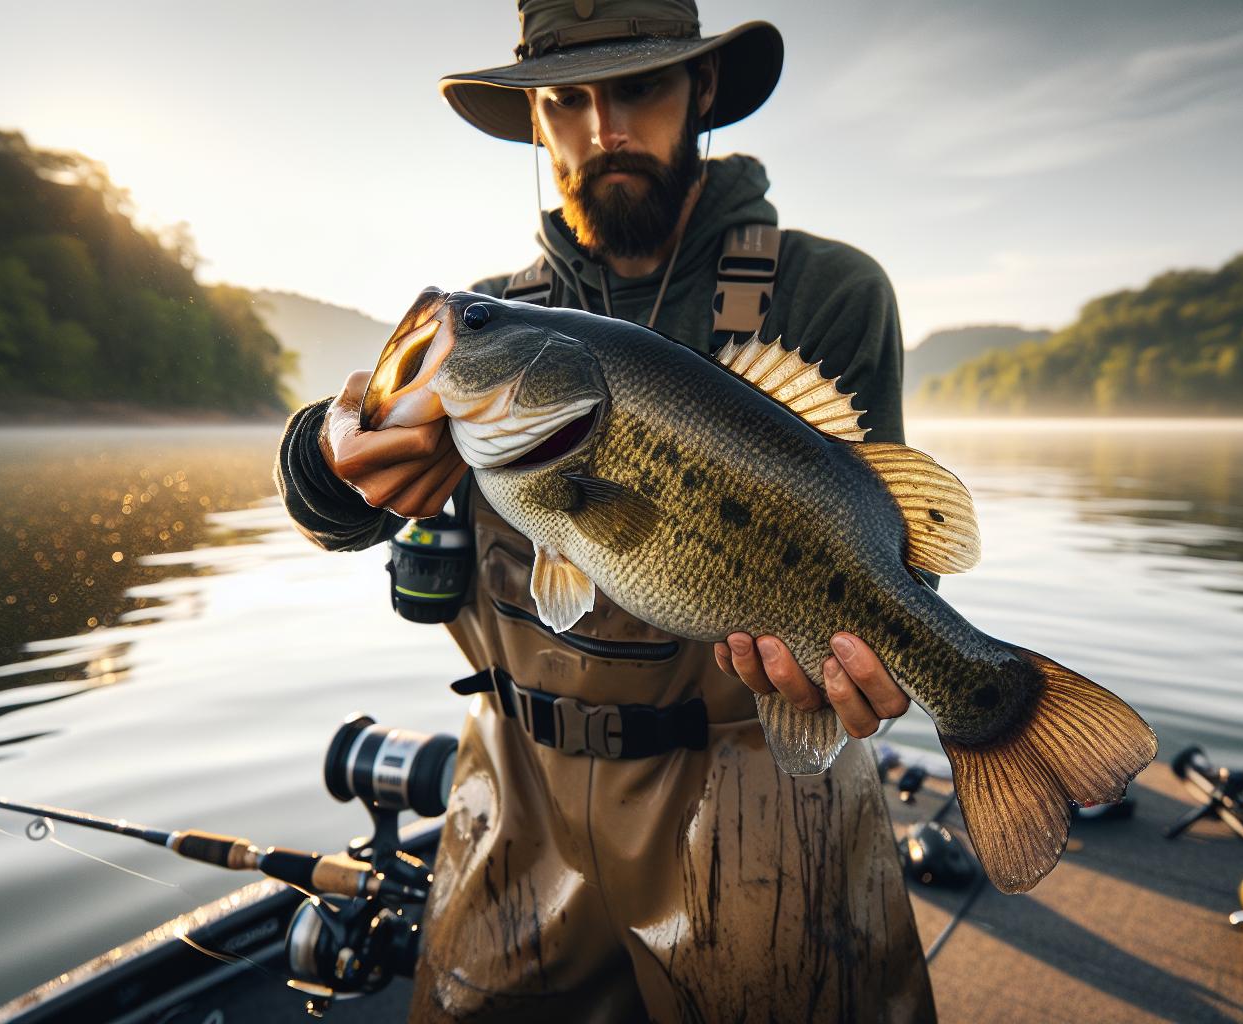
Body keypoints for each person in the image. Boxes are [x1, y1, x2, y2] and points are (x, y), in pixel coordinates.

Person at [276, 2, 936, 1020]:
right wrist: (327, 453)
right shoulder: (487, 324)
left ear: (701, 90)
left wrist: (880, 657)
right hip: (512, 789)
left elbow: (891, 559)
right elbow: (335, 503)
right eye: (567, 100)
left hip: (755, 786)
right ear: (535, 120)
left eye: (638, 86)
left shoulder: (826, 291)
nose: (602, 128)